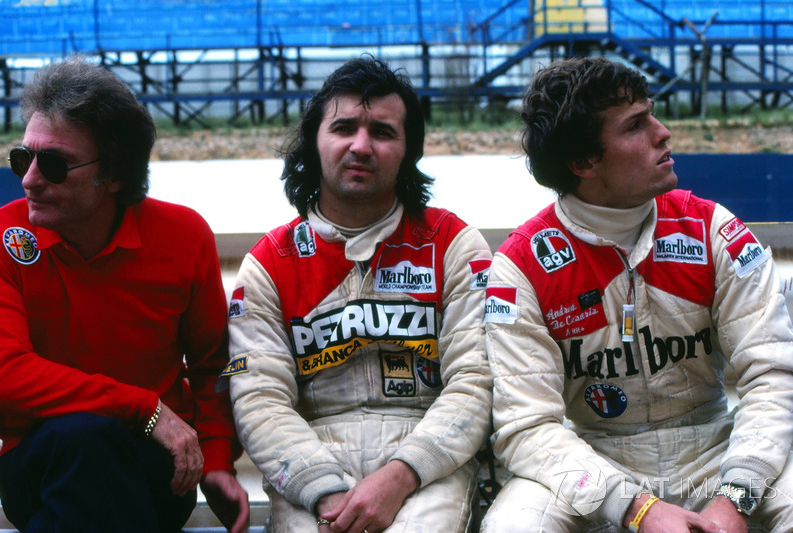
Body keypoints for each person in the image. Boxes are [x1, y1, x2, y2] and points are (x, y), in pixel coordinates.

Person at [481, 56, 793, 533]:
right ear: (584, 162)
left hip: (717, 447)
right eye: (635, 125)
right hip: (594, 458)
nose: (663, 132)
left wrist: (737, 495)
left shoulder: (713, 230)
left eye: (652, 113)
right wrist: (635, 508)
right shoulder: (521, 265)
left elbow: (771, 374)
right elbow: (528, 427)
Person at [225, 55, 493, 533]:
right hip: (311, 458)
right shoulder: (269, 263)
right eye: (344, 127)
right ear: (315, 142)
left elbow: (474, 381)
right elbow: (261, 400)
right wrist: (327, 494)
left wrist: (399, 476)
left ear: (409, 150)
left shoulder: (453, 243)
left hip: (426, 458)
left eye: (384, 132)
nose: (361, 146)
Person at [0, 55, 249, 533]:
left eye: (52, 164)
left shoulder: (183, 235)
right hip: (42, 462)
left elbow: (215, 366)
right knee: (85, 439)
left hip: (157, 464)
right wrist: (143, 406)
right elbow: (1, 374)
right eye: (21, 158)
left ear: (113, 176)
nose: (28, 179)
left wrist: (216, 460)